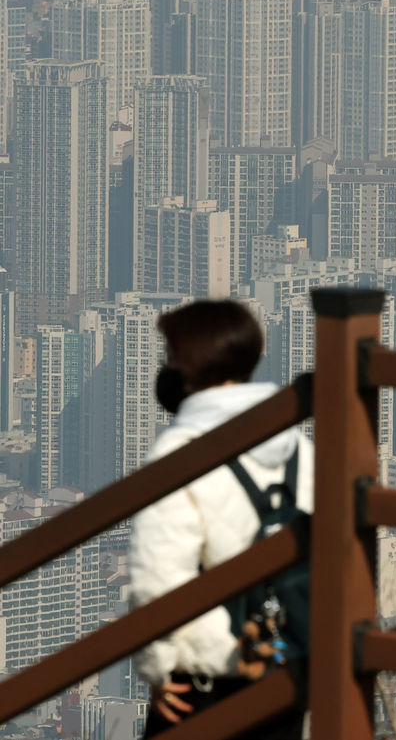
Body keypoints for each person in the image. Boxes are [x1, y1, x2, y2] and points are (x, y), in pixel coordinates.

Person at [129, 300, 312, 740]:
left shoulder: (178, 455)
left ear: (185, 364)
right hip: (288, 667)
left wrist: (158, 669)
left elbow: (157, 581)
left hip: (208, 682)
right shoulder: (297, 447)